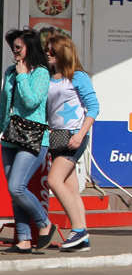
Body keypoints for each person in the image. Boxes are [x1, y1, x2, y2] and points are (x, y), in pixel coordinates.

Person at [0, 29, 55, 254]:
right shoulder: (10, 71)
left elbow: (32, 101)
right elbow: (4, 104)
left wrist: (23, 75)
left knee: (17, 186)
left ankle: (44, 224)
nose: (14, 49)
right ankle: (23, 239)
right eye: (12, 46)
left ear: (29, 48)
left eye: (18, 46)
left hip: (33, 138)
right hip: (9, 137)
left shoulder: (40, 73)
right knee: (14, 191)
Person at [44, 34, 99, 252]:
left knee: (54, 180)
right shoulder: (49, 77)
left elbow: (93, 107)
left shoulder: (77, 76)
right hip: (55, 136)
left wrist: (80, 134)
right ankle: (82, 238)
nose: (48, 54)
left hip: (73, 137)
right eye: (47, 50)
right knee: (71, 188)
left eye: (52, 51)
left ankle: (78, 229)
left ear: (62, 53)